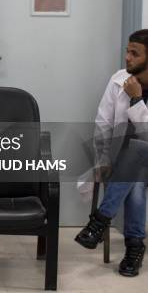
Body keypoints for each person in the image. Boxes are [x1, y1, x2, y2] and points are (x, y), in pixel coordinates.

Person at [75, 29, 148, 276]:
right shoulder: (118, 80)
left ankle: (100, 221)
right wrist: (102, 159)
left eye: (134, 54)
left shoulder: (133, 89)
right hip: (127, 164)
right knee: (135, 179)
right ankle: (134, 248)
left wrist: (137, 100)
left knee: (139, 149)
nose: (127, 58)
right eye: (127, 51)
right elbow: (103, 123)